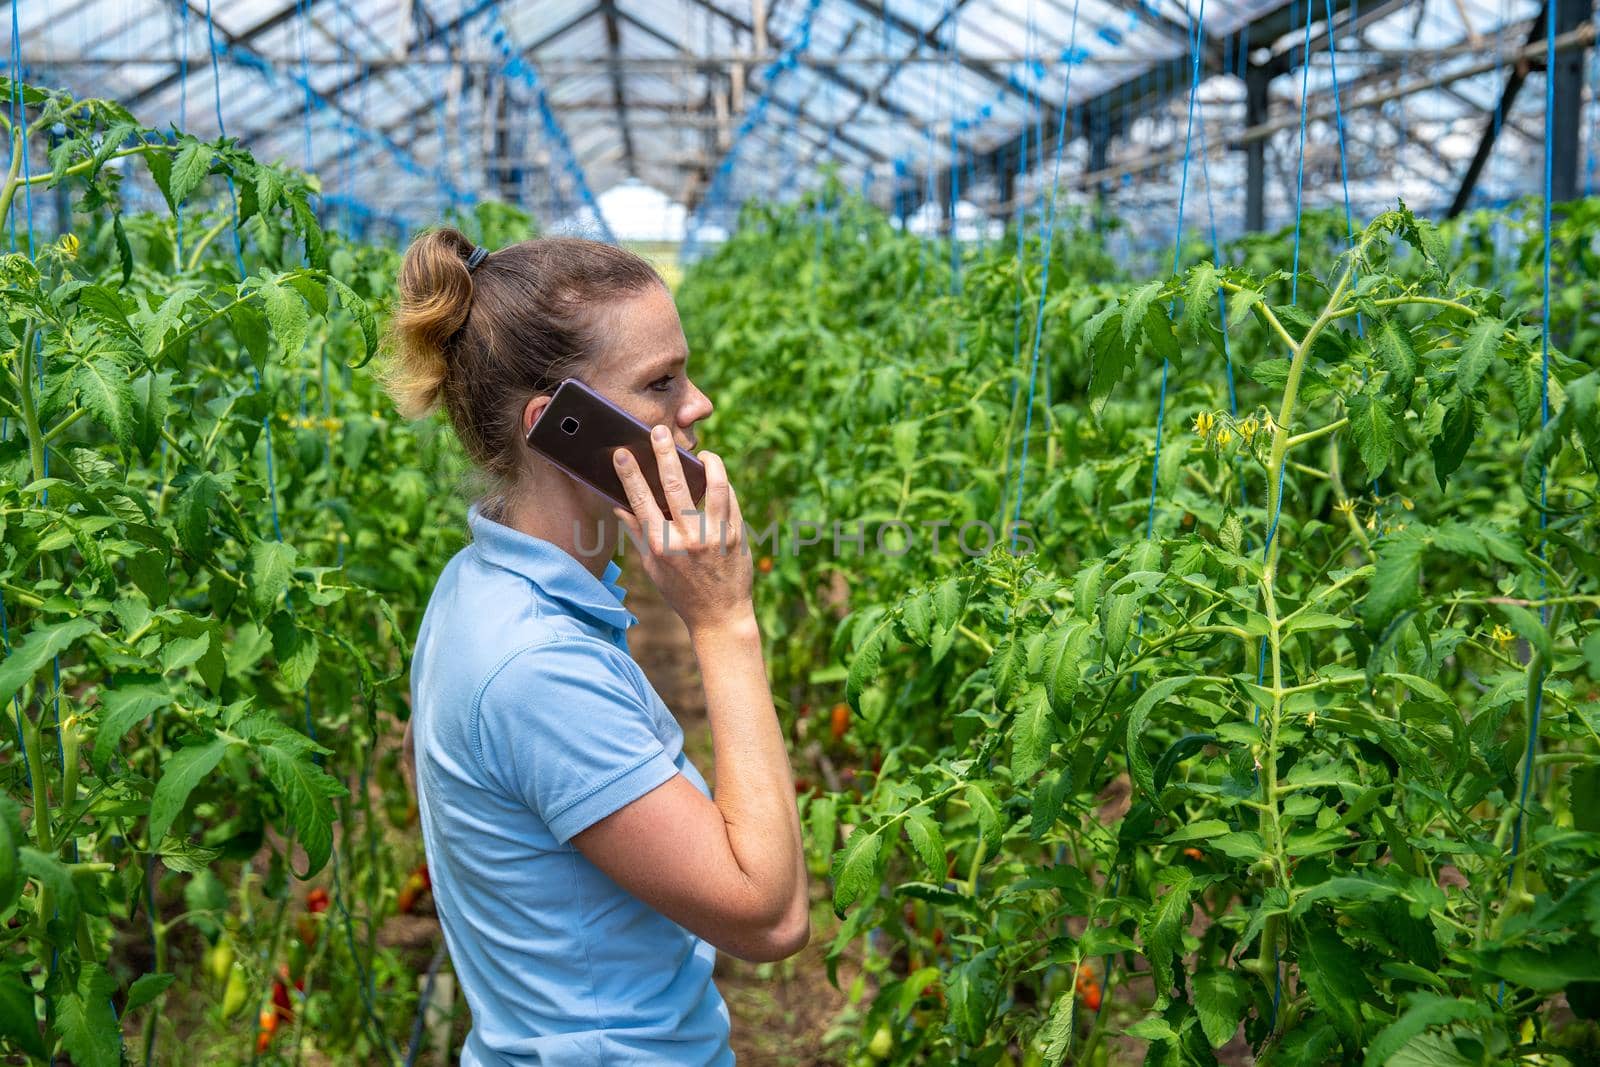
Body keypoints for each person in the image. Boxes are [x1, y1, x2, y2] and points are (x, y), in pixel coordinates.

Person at [380, 228, 809, 1065]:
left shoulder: (476, 585)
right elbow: (771, 915)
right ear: (560, 426)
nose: (699, 405)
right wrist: (724, 621)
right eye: (660, 383)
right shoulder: (535, 667)